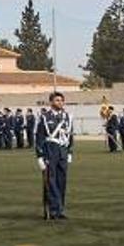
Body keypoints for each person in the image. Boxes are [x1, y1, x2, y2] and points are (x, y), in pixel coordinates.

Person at [35, 91, 74, 219]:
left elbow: (70, 135)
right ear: (51, 102)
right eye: (57, 100)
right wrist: (39, 156)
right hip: (50, 151)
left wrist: (70, 151)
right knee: (50, 182)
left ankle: (60, 210)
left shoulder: (67, 117)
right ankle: (52, 210)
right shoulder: (45, 117)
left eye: (62, 100)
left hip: (62, 151)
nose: (60, 103)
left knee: (61, 182)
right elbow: (39, 137)